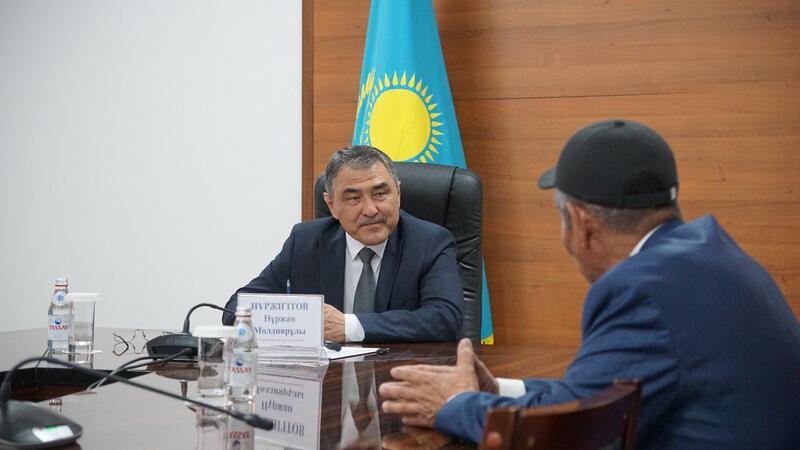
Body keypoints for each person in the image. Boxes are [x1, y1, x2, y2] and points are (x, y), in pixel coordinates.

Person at [379, 120, 800, 449]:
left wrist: (454, 405)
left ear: (582, 225)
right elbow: (602, 397)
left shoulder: (641, 288)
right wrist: (499, 390)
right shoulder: (710, 253)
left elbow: (573, 430)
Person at [224, 145, 464, 343]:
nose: (370, 210)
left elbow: (445, 319)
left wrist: (348, 326)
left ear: (398, 194)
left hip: (401, 378)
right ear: (332, 206)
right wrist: (293, 321)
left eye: (380, 194)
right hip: (328, 379)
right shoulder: (306, 242)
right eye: (354, 198)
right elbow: (236, 308)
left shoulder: (429, 242)